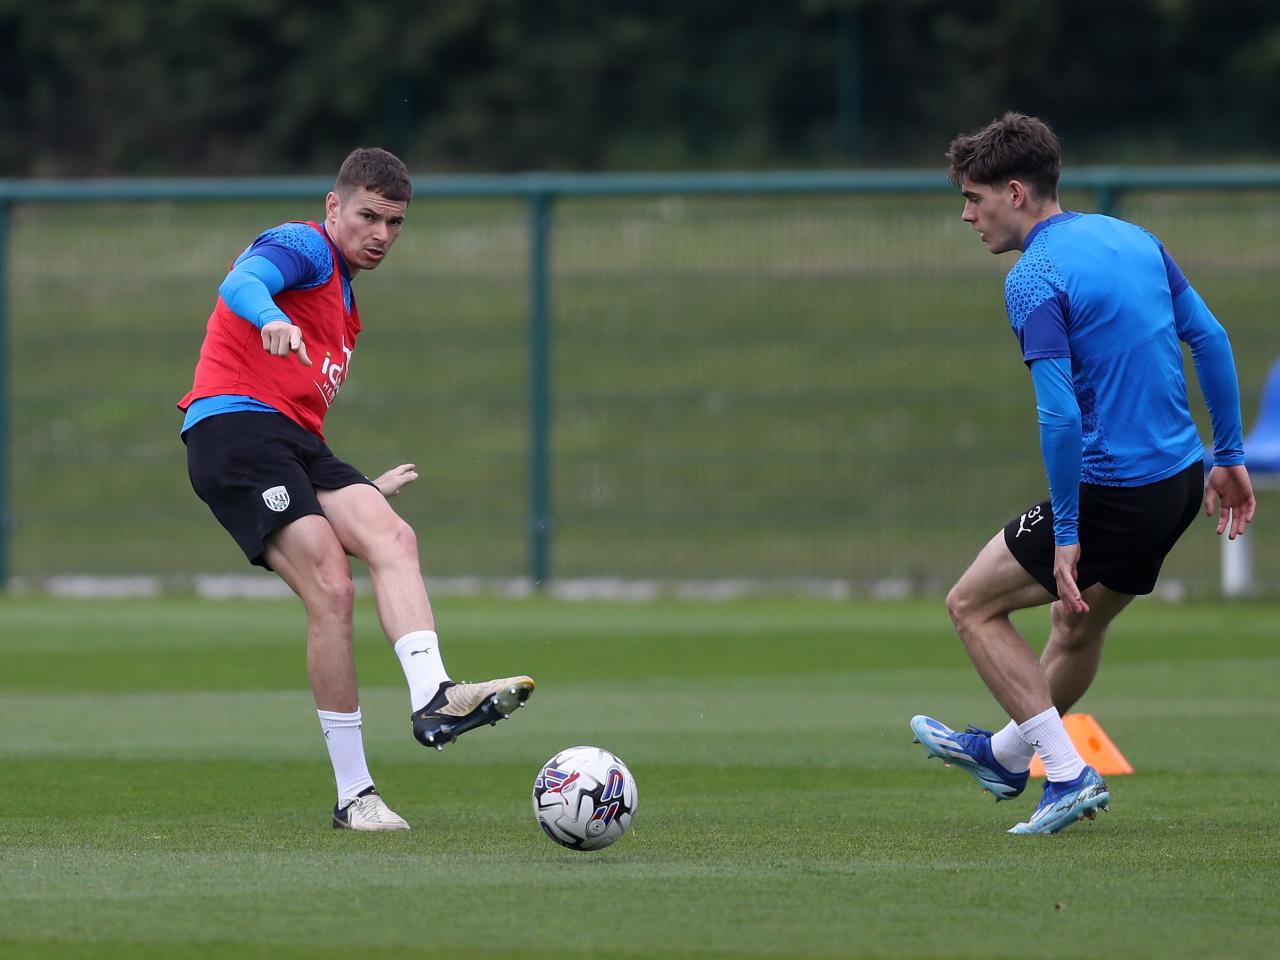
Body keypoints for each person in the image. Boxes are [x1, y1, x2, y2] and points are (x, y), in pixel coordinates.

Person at [910, 113, 1256, 834]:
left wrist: (1068, 530)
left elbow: (1060, 416)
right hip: (1180, 482)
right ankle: (1007, 756)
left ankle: (1066, 775)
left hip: (1116, 492)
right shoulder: (1135, 240)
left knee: (971, 605)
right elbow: (1212, 339)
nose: (967, 214)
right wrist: (1228, 454)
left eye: (974, 198)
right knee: (1076, 627)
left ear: (1014, 191)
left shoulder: (1033, 275)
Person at [178, 147, 534, 831]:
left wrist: (360, 492)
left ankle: (435, 695)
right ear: (334, 207)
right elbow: (244, 281)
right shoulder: (304, 245)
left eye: (395, 222)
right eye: (369, 216)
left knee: (393, 535)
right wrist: (269, 317)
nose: (381, 234)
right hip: (234, 430)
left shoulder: (345, 300)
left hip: (293, 445)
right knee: (333, 587)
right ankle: (355, 795)